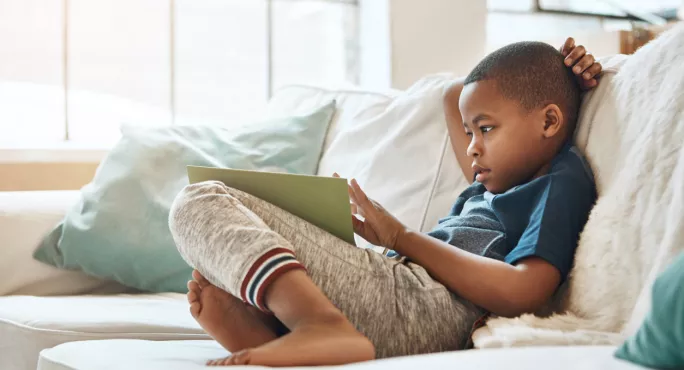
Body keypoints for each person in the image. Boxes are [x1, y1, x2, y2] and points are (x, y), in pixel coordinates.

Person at [168, 37, 601, 367]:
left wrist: (401, 236)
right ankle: (274, 337)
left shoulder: (558, 178)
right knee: (225, 258)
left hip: (422, 304)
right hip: (398, 297)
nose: (471, 148)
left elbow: (522, 292)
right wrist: (560, 71)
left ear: (548, 120)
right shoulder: (491, 183)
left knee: (199, 201)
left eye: (485, 129)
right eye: (469, 133)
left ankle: (318, 324)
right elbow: (456, 95)